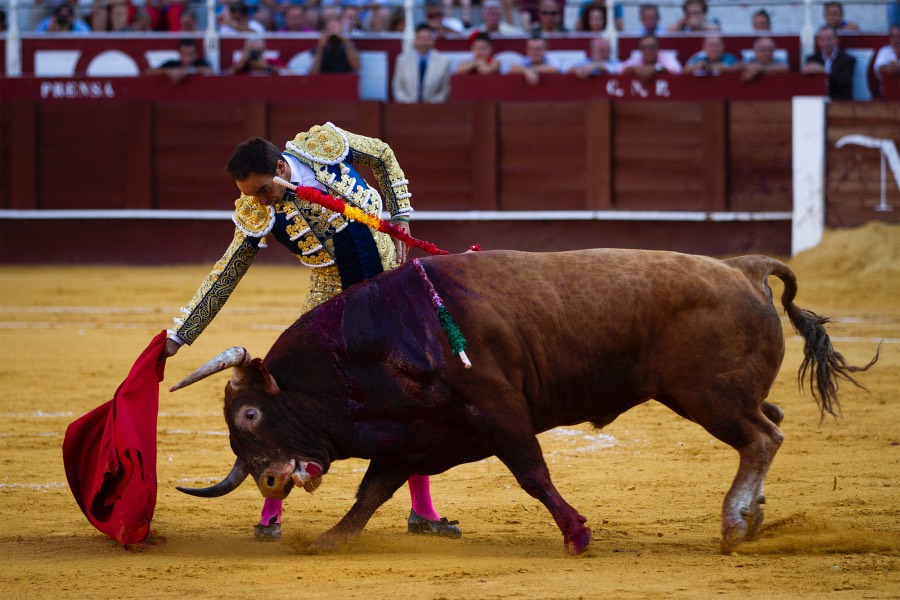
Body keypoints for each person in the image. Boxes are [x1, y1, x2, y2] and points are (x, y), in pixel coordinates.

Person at [161, 125, 462, 542]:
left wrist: (400, 217)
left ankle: (423, 511)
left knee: (408, 385)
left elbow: (383, 155)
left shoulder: (323, 147)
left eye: (263, 190)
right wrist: (179, 335)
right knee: (286, 391)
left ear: (282, 167)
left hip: (385, 276)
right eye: (251, 194)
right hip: (329, 289)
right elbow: (227, 270)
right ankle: (271, 512)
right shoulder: (259, 210)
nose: (260, 201)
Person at [392, 23, 452, 103]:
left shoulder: (443, 61)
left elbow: (445, 90)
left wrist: (431, 104)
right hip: (408, 108)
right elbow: (397, 87)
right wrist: (408, 103)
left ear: (433, 41)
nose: (424, 43)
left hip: (434, 109)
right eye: (421, 39)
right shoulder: (403, 60)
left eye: (427, 39)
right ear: (415, 40)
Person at [802, 25, 856, 100]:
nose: (825, 42)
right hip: (817, 101)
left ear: (836, 40)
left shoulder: (847, 59)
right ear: (818, 41)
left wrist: (823, 70)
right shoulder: (812, 59)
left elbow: (843, 83)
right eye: (822, 39)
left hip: (840, 103)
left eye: (829, 39)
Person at [145, 38, 214, 83]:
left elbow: (211, 71)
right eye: (184, 54)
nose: (187, 58)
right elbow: (148, 72)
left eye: (190, 55)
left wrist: (189, 71)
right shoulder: (172, 64)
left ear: (196, 54)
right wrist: (167, 72)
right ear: (179, 54)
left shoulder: (201, 63)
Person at [872, 25, 900, 97]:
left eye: (899, 36)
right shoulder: (884, 51)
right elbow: (880, 68)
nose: (896, 39)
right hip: (888, 97)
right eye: (893, 36)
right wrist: (895, 68)